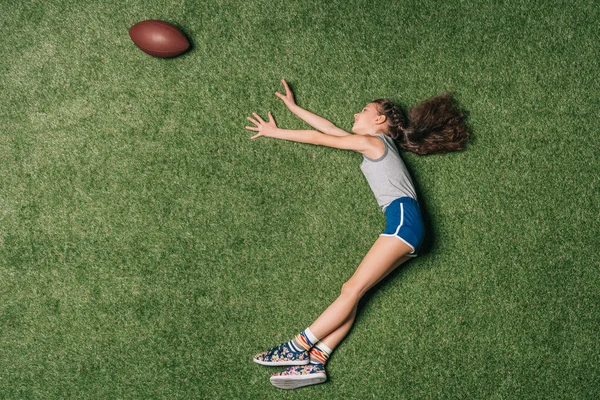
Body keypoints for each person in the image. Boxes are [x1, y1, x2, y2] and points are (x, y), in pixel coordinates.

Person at [245, 79, 469, 390]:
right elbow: (329, 130)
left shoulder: (374, 144)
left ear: (380, 120)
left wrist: (275, 131)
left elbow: (320, 139)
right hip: (408, 226)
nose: (355, 114)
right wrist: (295, 109)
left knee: (351, 289)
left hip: (403, 222)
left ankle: (296, 348)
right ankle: (317, 360)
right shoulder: (375, 144)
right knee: (354, 292)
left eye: (364, 110)